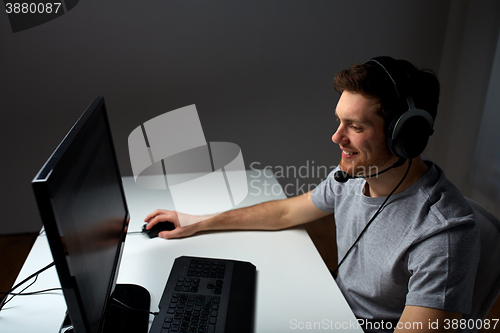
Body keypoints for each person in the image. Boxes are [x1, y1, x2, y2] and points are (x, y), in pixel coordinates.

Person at [144, 57, 480, 332]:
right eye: (338, 121)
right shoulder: (354, 177)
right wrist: (198, 221)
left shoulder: (443, 235)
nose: (337, 138)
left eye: (356, 127)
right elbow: (287, 213)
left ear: (405, 138)